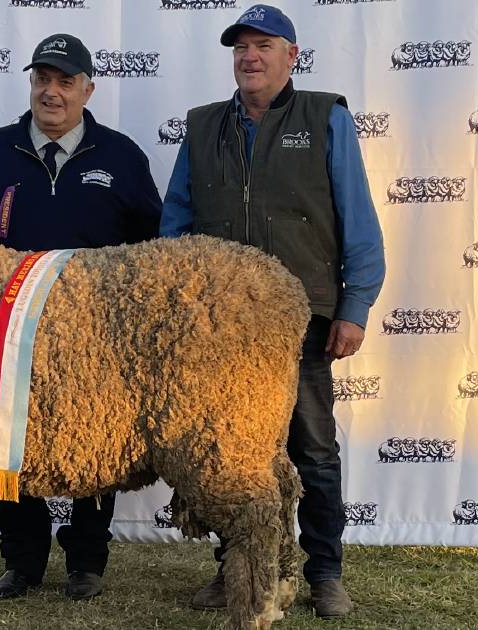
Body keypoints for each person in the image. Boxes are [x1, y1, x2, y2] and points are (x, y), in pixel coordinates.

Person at [160, 4, 385, 619]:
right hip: (218, 324)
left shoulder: (326, 118)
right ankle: (238, 570)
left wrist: (354, 306)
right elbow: (176, 220)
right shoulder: (203, 126)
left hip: (303, 320)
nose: (250, 56)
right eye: (241, 47)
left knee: (311, 448)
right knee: (228, 452)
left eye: (264, 45)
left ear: (292, 56)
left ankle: (324, 574)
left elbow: (359, 222)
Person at [0, 33, 162, 601]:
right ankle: (22, 560)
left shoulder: (122, 156)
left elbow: (154, 245)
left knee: (94, 437)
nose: (52, 92)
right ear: (30, 84)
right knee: (6, 434)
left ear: (88, 89)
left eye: (65, 81)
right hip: (5, 330)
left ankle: (87, 560)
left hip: (95, 335)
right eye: (42, 79)